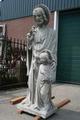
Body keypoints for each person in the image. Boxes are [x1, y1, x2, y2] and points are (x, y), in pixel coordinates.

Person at [17, 4, 57, 118]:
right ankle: (32, 101)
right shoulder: (33, 32)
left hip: (44, 65)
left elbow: (52, 52)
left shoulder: (52, 33)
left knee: (42, 88)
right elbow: (29, 49)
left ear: (44, 17)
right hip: (34, 63)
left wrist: (46, 59)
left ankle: (43, 105)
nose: (36, 19)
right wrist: (29, 40)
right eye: (34, 16)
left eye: (39, 16)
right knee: (31, 85)